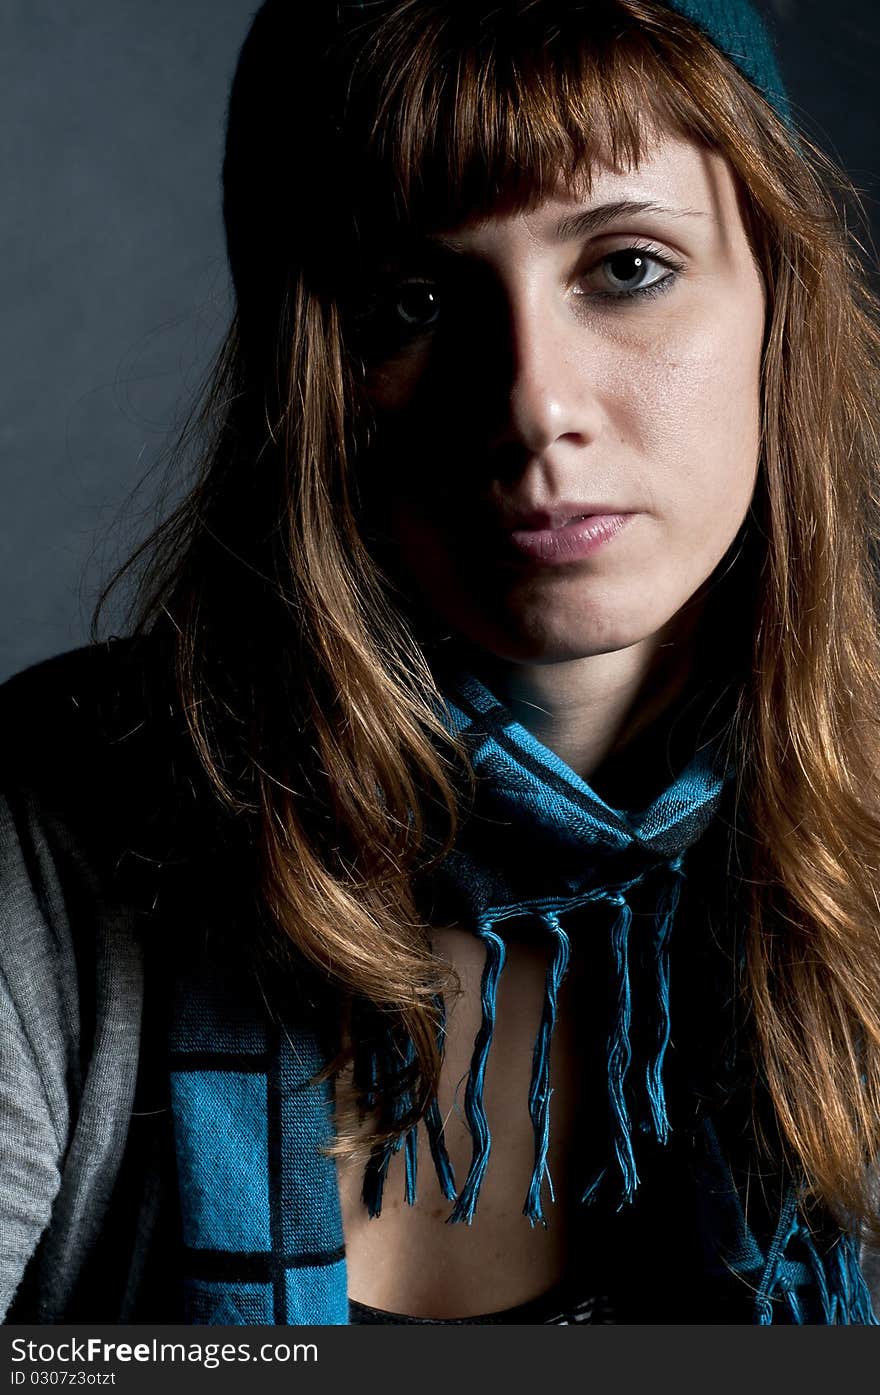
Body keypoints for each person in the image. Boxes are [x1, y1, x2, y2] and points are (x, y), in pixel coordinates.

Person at [2, 0, 880, 1326]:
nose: (535, 401)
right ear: (316, 378)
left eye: (627, 267)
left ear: (776, 298)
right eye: (414, 301)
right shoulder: (55, 820)